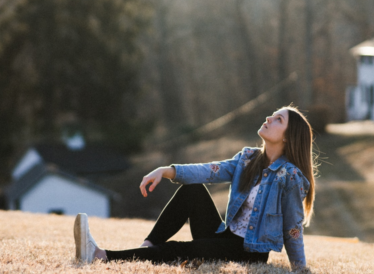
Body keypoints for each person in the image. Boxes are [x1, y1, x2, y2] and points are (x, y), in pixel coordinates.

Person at [73, 106, 317, 270]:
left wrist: (300, 269)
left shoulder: (291, 178)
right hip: (224, 235)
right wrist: (166, 170)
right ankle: (144, 249)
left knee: (182, 250)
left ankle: (101, 256)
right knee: (193, 190)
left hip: (247, 251)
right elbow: (209, 170)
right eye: (272, 115)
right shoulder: (248, 160)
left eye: (278, 120)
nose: (269, 119)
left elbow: (292, 229)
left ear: (288, 137)